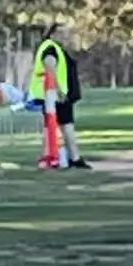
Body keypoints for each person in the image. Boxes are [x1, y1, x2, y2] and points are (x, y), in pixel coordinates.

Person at [32, 28, 89, 168]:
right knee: (62, 126)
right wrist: (58, 90)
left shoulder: (55, 48)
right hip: (56, 96)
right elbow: (49, 66)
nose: (67, 36)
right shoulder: (51, 48)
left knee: (58, 126)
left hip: (57, 95)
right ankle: (68, 158)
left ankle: (66, 157)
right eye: (63, 33)